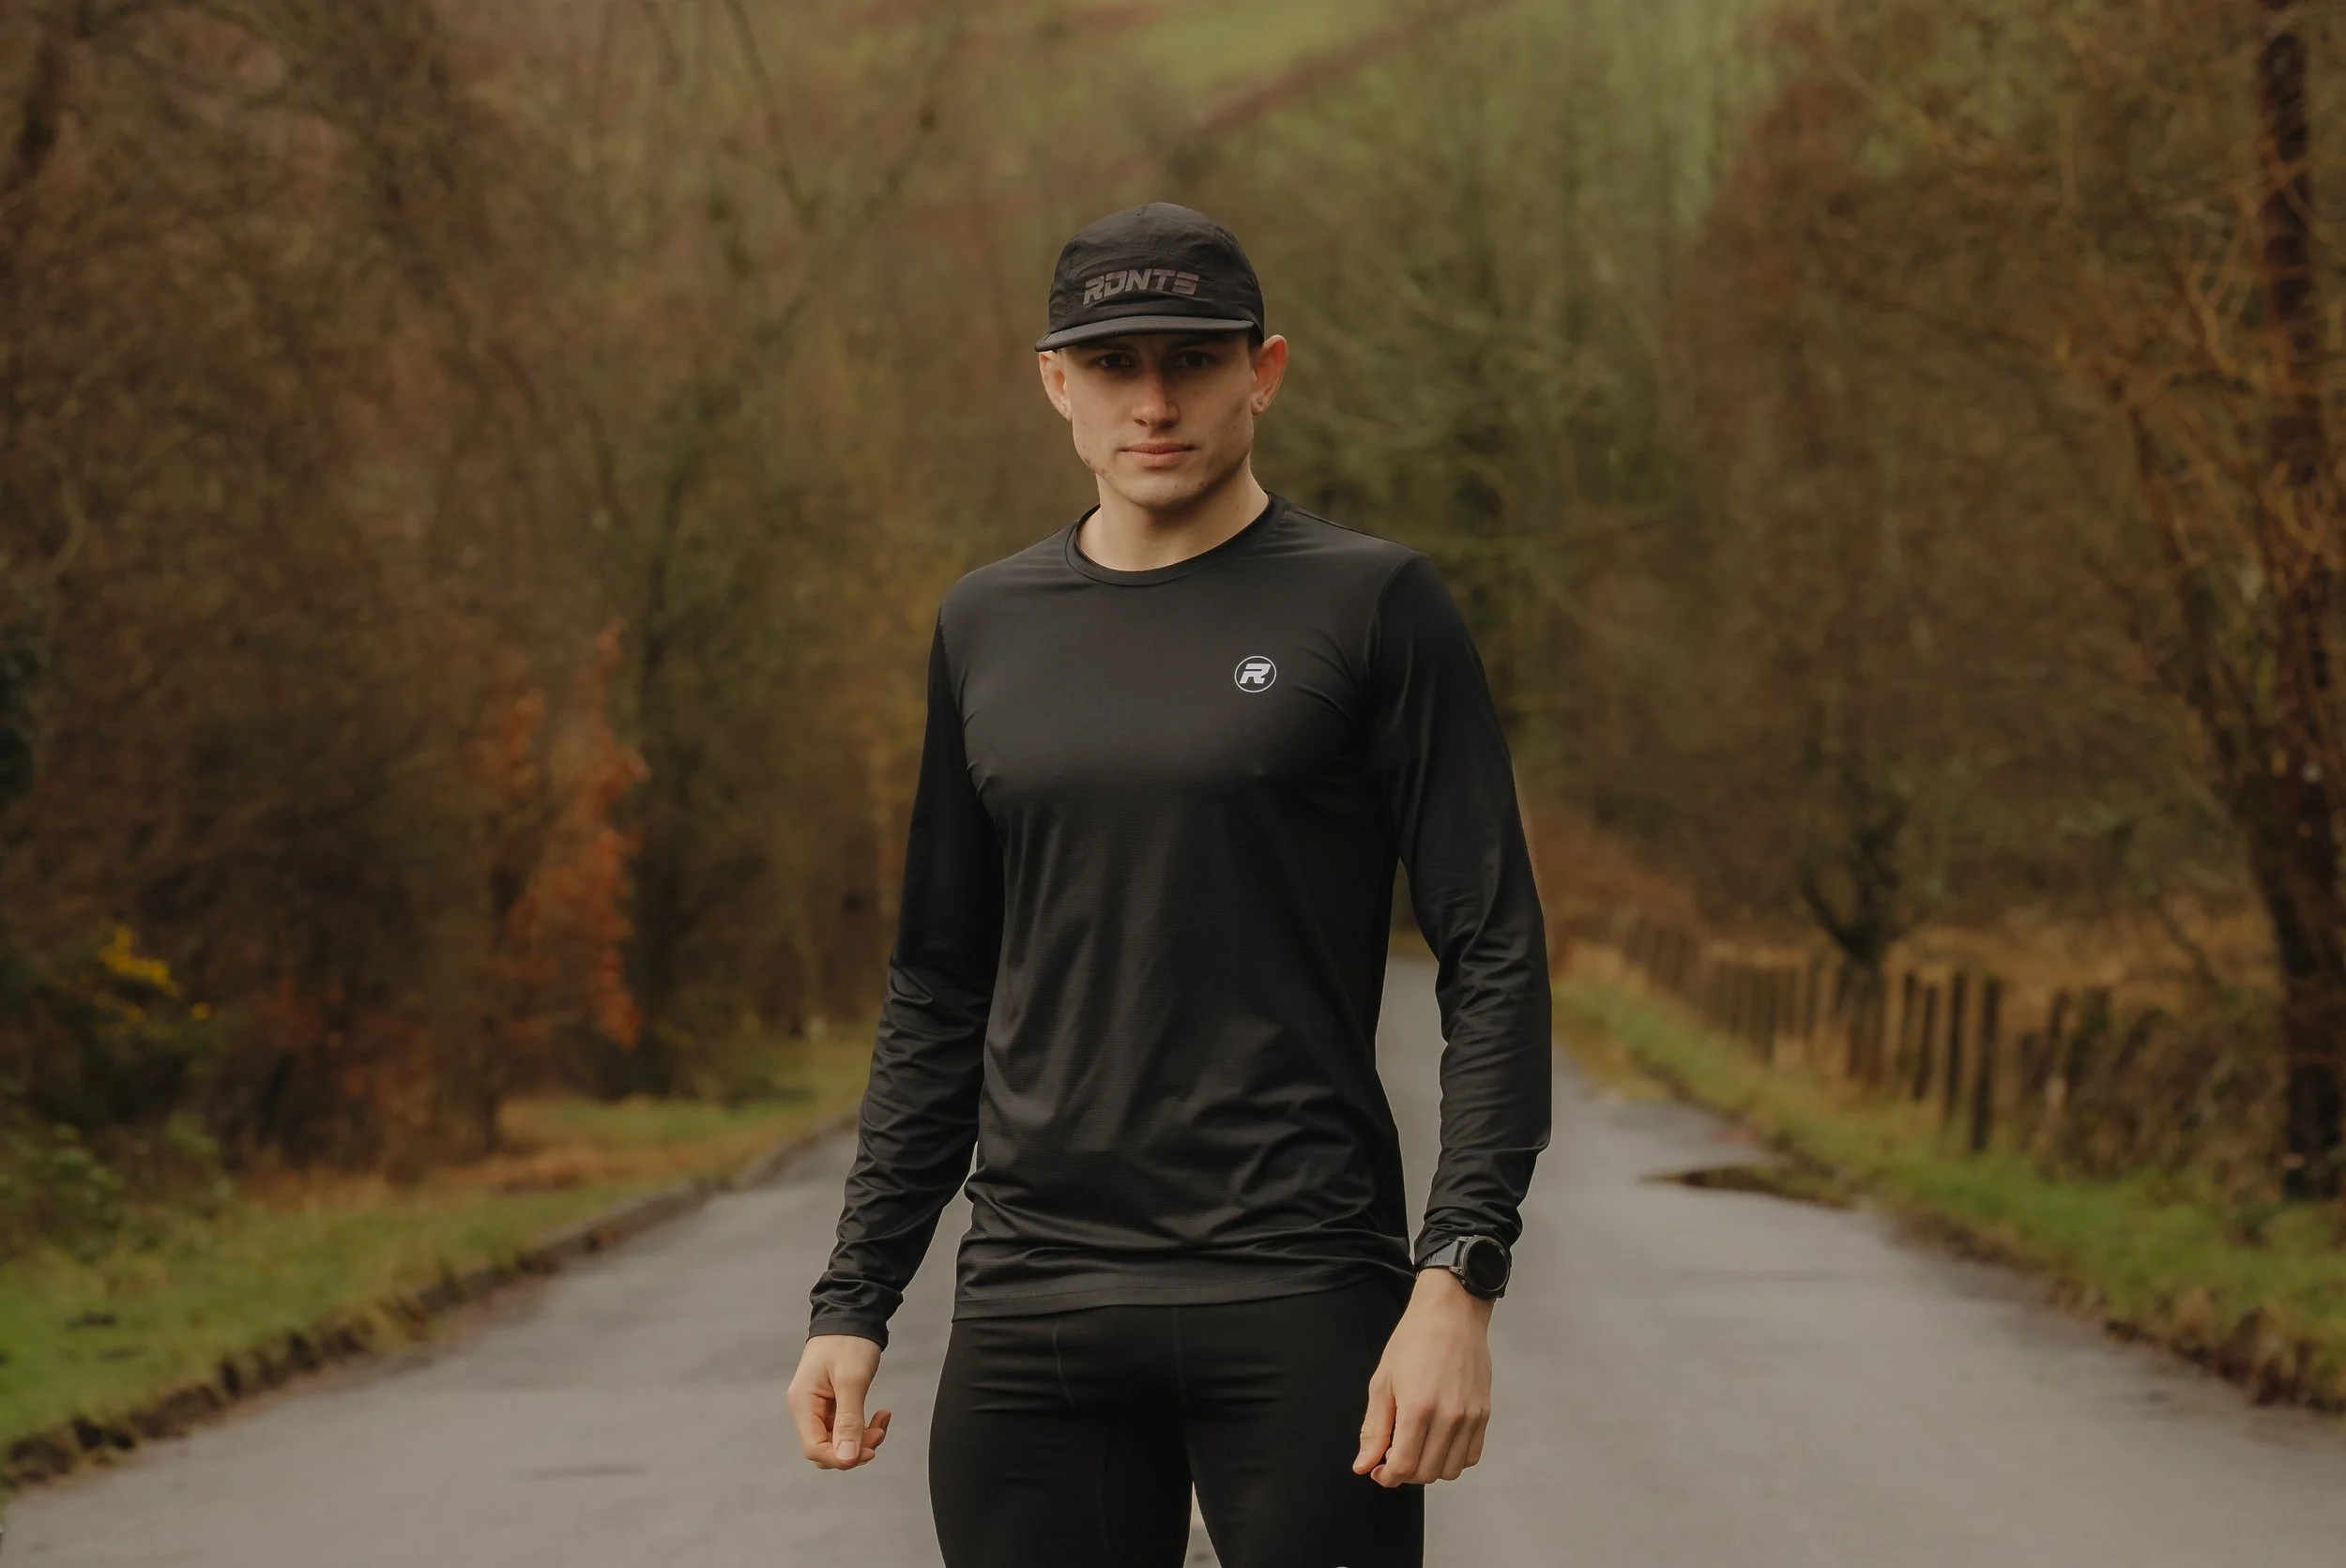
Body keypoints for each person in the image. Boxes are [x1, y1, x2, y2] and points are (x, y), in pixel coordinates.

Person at [788, 202, 1552, 1568]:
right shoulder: (985, 625)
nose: (1153, 402)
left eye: (1192, 360)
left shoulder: (1373, 606)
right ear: (1056, 382)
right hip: (1036, 1300)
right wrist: (855, 1296)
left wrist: (1459, 1278)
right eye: (1113, 363)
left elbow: (1492, 951)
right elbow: (942, 983)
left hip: (1301, 1285)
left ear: (1263, 371)